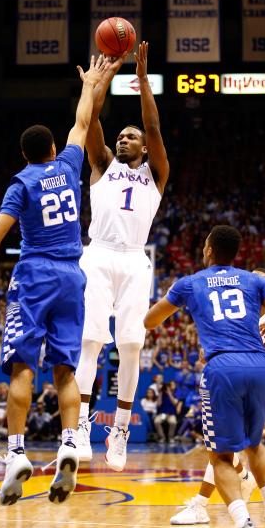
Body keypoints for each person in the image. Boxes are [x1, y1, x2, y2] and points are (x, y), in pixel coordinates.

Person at [0, 55, 109, 506]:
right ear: (53, 149)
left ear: (24, 155)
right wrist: (90, 83)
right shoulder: (70, 165)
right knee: (66, 368)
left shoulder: (22, 182)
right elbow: (83, 120)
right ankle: (70, 443)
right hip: (74, 275)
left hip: (34, 275)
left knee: (22, 367)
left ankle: (16, 454)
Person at [144, 226, 265, 528]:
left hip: (223, 368)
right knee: (255, 445)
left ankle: (243, 525)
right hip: (260, 366)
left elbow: (150, 322)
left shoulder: (190, 283)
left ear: (209, 250)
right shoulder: (255, 280)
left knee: (221, 456)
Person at [76, 42, 169, 471]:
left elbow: (152, 124)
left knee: (131, 348)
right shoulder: (101, 164)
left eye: (130, 136)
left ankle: (121, 430)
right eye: (121, 135)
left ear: (145, 149)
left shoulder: (156, 174)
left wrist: (143, 79)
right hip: (97, 254)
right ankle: (78, 426)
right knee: (90, 342)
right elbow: (91, 119)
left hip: (134, 260)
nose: (123, 138)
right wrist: (104, 78)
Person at [168, 268, 265, 526]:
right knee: (225, 448)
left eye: (260, 280)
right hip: (229, 385)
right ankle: (244, 482)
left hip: (255, 389)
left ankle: (203, 505)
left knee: (222, 449)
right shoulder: (235, 315)